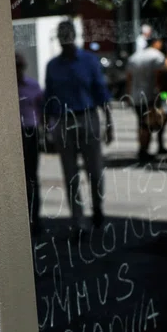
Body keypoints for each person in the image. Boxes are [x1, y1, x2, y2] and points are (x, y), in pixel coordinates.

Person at [44, 20, 113, 229]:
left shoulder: (89, 61)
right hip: (64, 122)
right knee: (70, 173)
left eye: (67, 35)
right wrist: (47, 129)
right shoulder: (53, 66)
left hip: (87, 117)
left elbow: (101, 91)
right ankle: (78, 219)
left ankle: (98, 208)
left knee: (95, 169)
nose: (65, 40)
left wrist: (109, 122)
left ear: (74, 36)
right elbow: (49, 98)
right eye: (61, 36)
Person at [126, 33, 166, 162]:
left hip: (136, 95)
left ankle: (142, 149)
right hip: (149, 95)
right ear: (156, 42)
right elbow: (158, 77)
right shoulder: (157, 56)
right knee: (147, 124)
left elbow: (129, 78)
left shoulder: (134, 57)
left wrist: (128, 95)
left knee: (141, 123)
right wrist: (161, 94)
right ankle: (144, 150)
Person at [16, 52, 44, 225]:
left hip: (30, 131)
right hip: (14, 133)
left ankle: (35, 217)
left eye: (19, 66)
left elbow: (41, 108)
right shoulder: (6, 87)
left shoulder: (33, 86)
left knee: (31, 176)